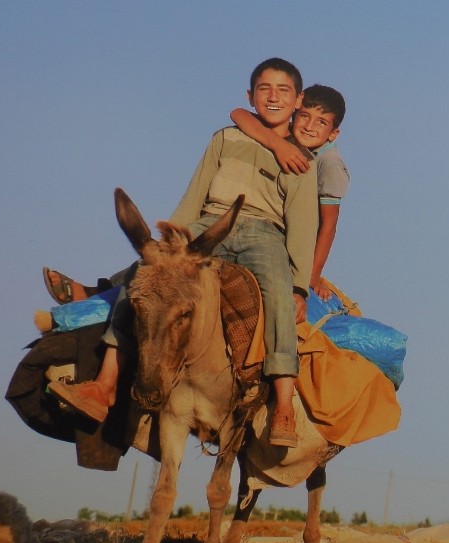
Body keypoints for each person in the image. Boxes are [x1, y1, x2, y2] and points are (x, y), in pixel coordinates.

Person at [47, 57, 318, 448]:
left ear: (298, 100)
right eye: (264, 89)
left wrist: (299, 287)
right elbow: (195, 196)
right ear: (250, 96)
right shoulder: (225, 138)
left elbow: (302, 230)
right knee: (148, 275)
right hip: (210, 224)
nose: (273, 96)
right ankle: (104, 384)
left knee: (277, 295)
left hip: (264, 233)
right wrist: (170, 243)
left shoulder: (302, 161)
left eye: (283, 90)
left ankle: (284, 405)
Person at [230, 83, 349, 301]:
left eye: (321, 122)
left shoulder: (329, 163)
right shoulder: (285, 140)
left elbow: (329, 224)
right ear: (294, 113)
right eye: (304, 116)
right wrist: (276, 144)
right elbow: (238, 114)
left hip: (296, 248)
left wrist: (311, 277)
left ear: (333, 134)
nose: (309, 126)